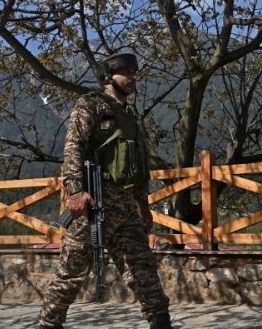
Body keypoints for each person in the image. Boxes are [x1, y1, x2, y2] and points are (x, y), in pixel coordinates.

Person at [39, 52, 172, 329]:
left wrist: (144, 205)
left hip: (126, 209)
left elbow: (137, 165)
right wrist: (76, 191)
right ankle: (49, 325)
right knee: (70, 275)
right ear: (109, 77)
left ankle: (161, 323)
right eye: (128, 72)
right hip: (94, 206)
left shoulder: (129, 115)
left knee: (144, 271)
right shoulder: (90, 105)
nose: (135, 76)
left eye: (136, 71)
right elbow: (73, 146)